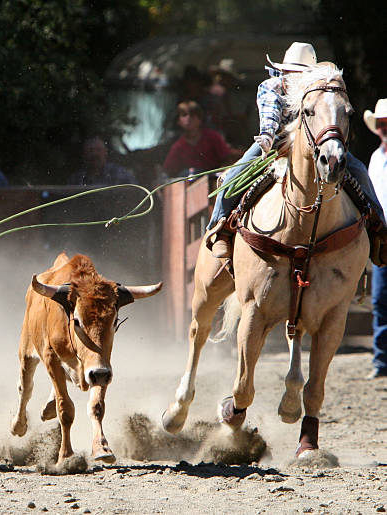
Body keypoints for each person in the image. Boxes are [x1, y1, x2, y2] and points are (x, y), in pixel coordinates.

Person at [207, 42, 387, 259]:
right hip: (276, 143)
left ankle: (379, 229)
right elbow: (270, 117)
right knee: (234, 174)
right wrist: (266, 137)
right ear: (283, 71)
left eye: (301, 73)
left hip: (316, 145)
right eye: (292, 72)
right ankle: (219, 230)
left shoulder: (317, 92)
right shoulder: (271, 87)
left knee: (359, 171)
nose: (295, 77)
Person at [162, 100, 242, 177]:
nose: (188, 118)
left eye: (192, 115)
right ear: (178, 121)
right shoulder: (178, 147)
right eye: (184, 115)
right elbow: (168, 171)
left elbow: (227, 159)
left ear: (200, 119)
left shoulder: (213, 137)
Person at [365, 98, 387, 379]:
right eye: (381, 124)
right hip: (383, 237)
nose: (384, 129)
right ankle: (381, 361)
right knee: (380, 300)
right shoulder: (375, 158)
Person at [67, 136, 137, 186]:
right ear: (84, 154)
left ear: (105, 152)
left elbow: (135, 195)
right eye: (90, 150)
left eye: (98, 150)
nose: (94, 154)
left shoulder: (121, 174)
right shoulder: (76, 179)